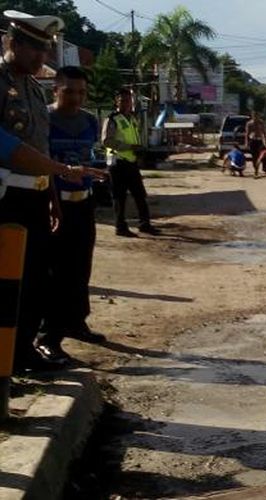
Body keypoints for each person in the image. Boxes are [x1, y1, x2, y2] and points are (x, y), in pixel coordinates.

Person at [0, 10, 73, 371]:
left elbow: (41, 151)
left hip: (36, 197)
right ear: (12, 43)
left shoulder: (32, 87)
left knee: (35, 279)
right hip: (5, 199)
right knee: (6, 279)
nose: (41, 58)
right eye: (34, 50)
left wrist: (52, 199)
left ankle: (22, 350)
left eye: (45, 51)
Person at [37, 66, 106, 365]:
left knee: (81, 267)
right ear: (55, 90)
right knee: (55, 273)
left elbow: (93, 156)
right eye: (69, 91)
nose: (76, 97)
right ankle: (47, 338)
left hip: (84, 204)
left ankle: (77, 322)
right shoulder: (44, 120)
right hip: (55, 205)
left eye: (81, 92)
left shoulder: (90, 120)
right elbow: (42, 164)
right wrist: (53, 201)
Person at [102, 87, 159, 237]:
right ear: (117, 102)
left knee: (140, 194)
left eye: (128, 100)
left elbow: (135, 137)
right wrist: (129, 147)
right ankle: (120, 227)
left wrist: (139, 150)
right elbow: (107, 141)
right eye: (123, 100)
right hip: (117, 162)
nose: (126, 103)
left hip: (131, 161)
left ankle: (145, 224)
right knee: (119, 196)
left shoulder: (133, 119)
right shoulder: (112, 119)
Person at [244, 111, 266, 178]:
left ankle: (264, 168)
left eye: (257, 116)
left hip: (259, 140)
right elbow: (247, 133)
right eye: (254, 116)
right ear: (252, 116)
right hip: (253, 141)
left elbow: (264, 132)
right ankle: (256, 169)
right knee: (254, 156)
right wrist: (246, 142)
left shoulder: (261, 122)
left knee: (263, 155)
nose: (256, 117)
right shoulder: (249, 123)